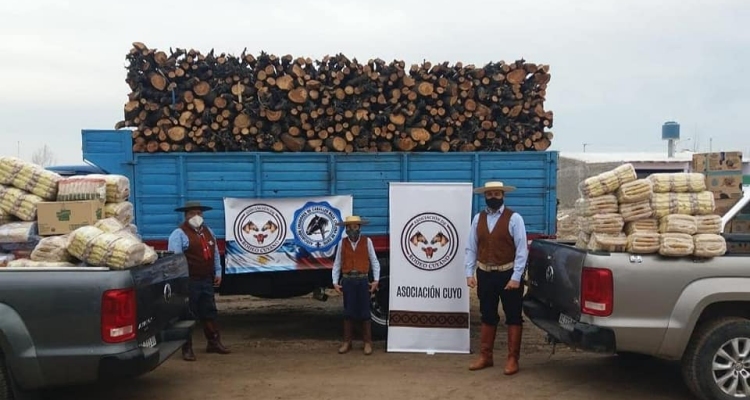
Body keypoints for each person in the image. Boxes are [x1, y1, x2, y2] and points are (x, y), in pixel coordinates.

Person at [465, 181, 528, 375]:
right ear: (485, 196)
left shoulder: (514, 218)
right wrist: (469, 273)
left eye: (497, 194)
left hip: (508, 273)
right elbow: (471, 247)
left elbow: (521, 250)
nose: (493, 197)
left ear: (503, 195)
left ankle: (512, 359)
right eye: (490, 194)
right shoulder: (478, 218)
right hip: (485, 273)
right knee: (487, 313)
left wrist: (516, 277)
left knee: (514, 316)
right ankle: (486, 356)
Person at [168, 200, 231, 361]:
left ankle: (214, 342)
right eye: (192, 213)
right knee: (188, 314)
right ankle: (186, 348)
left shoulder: (208, 231)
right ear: (186, 216)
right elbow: (175, 260)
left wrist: (218, 271)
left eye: (199, 213)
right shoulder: (178, 234)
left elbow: (215, 252)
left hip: (206, 279)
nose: (196, 216)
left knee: (209, 311)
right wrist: (180, 281)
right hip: (190, 280)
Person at [331, 215, 381, 355]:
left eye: (355, 226)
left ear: (359, 227)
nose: (352, 229)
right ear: (346, 229)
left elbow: (374, 261)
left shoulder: (367, 241)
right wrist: (335, 282)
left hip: (363, 279)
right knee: (348, 311)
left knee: (365, 311)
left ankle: (367, 342)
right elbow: (337, 263)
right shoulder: (342, 243)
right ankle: (347, 342)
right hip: (348, 280)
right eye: (349, 227)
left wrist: (376, 280)